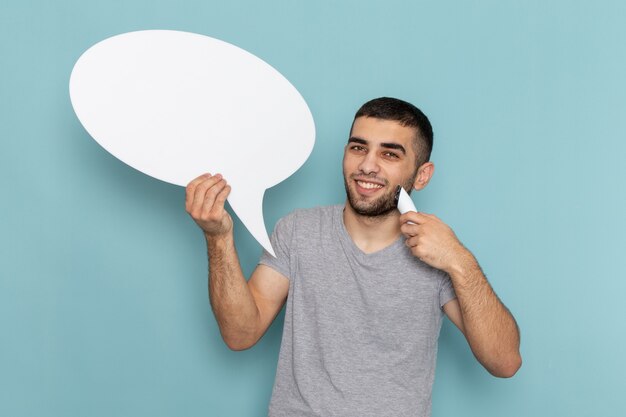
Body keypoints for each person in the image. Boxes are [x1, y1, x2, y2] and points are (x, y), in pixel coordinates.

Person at [185, 97, 522, 417]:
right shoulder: (298, 231)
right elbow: (240, 334)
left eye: (390, 154)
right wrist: (218, 237)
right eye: (358, 147)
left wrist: (458, 260)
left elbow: (504, 362)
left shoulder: (440, 253)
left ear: (422, 175)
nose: (367, 165)